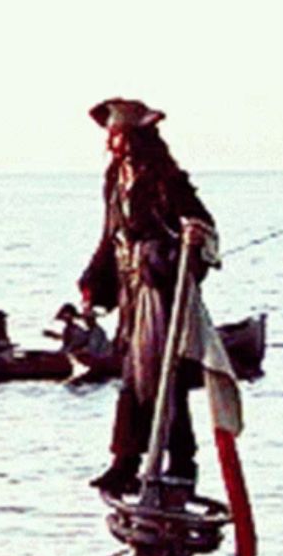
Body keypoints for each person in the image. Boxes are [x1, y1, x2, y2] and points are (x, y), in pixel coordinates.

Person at [78, 97, 219, 495]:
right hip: (131, 288)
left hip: (159, 287)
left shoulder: (163, 176)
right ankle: (126, 461)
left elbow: (201, 224)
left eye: (116, 133)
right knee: (133, 377)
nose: (109, 141)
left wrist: (190, 240)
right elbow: (111, 236)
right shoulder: (114, 178)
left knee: (163, 377)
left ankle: (180, 463)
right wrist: (94, 284)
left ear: (133, 137)